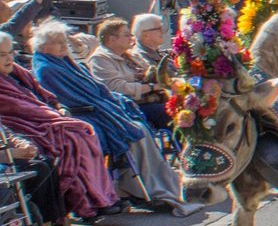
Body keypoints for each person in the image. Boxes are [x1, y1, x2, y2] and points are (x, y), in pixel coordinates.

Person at [31, 21, 196, 215]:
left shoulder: (69, 62)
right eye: (57, 42)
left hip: (104, 107)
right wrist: (129, 95)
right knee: (136, 128)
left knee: (140, 127)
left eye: (63, 41)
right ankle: (136, 187)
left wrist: (114, 100)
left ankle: (144, 184)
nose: (63, 46)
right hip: (84, 113)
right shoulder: (48, 69)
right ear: (42, 46)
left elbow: (97, 89)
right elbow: (76, 96)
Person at [0, 31, 122, 225]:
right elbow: (22, 109)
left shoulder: (17, 71)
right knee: (73, 137)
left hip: (44, 120)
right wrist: (56, 117)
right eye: (2, 55)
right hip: (28, 126)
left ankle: (100, 199)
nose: (8, 58)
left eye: (10, 52)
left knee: (82, 132)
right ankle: (85, 205)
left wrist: (59, 108)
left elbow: (45, 95)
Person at [87, 16, 169, 134]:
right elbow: (115, 88)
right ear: (112, 39)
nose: (131, 38)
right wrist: (151, 87)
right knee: (170, 112)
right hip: (128, 107)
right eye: (126, 35)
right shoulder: (100, 59)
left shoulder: (130, 55)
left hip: (150, 100)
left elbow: (151, 73)